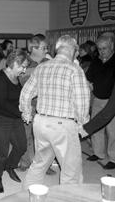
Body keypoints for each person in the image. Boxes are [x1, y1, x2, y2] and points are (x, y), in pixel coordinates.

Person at [20, 35, 90, 189]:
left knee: (39, 163)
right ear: (73, 50)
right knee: (71, 171)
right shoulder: (74, 69)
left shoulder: (42, 67)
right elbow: (82, 100)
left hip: (41, 123)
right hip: (63, 125)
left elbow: (26, 93)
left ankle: (27, 196)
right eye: (76, 51)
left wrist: (26, 113)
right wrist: (82, 123)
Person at [0, 50, 28, 193]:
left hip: (14, 117)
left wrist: (26, 106)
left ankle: (9, 166)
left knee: (21, 146)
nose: (24, 70)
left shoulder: (16, 77)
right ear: (15, 63)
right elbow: (3, 103)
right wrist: (23, 114)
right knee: (2, 150)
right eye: (22, 67)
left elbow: (19, 96)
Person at [18, 34, 52, 173]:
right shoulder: (25, 63)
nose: (46, 50)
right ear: (33, 48)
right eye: (44, 48)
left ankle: (45, 165)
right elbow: (23, 83)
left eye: (46, 47)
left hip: (46, 106)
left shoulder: (48, 62)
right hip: (30, 106)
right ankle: (26, 161)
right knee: (26, 135)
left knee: (44, 137)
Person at [85, 32, 115, 169]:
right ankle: (98, 153)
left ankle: (113, 158)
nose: (101, 52)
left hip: (112, 101)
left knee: (112, 131)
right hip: (97, 98)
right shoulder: (96, 61)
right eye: (99, 49)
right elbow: (88, 76)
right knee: (96, 128)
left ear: (112, 46)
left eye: (105, 48)